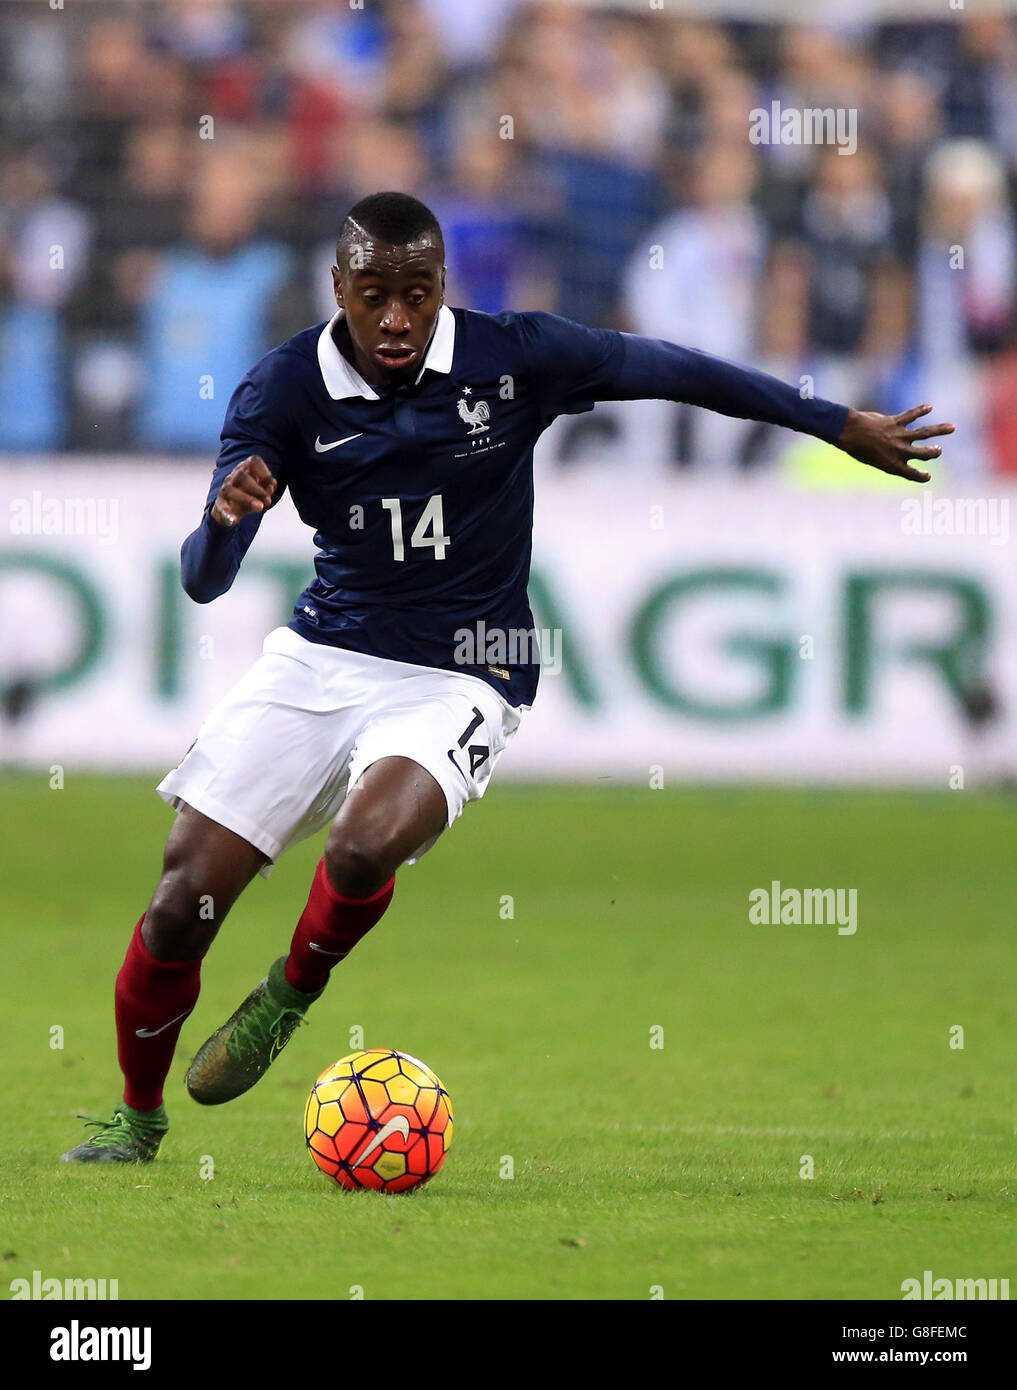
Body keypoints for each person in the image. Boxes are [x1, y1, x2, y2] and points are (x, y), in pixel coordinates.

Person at [61, 190, 953, 1163]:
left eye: (418, 292)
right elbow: (203, 582)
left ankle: (291, 991)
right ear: (338, 291)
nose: (397, 317)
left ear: (444, 284)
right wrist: (224, 524)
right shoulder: (281, 391)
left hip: (468, 668)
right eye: (374, 295)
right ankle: (137, 1117)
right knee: (180, 896)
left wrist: (829, 423)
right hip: (323, 653)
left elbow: (676, 369)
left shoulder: (515, 355)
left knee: (365, 847)